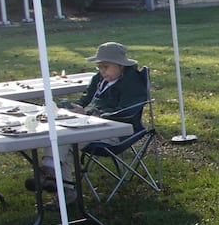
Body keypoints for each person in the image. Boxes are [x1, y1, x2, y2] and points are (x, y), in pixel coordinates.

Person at [27, 41, 148, 194]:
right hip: (89, 125)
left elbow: (127, 112)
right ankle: (60, 186)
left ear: (121, 65)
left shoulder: (131, 83)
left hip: (117, 131)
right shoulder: (99, 79)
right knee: (59, 136)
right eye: (99, 67)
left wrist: (91, 114)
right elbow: (86, 99)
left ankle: (50, 177)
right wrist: (72, 106)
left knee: (64, 138)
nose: (102, 71)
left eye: (106, 67)